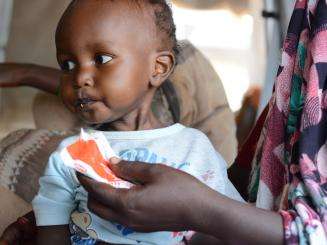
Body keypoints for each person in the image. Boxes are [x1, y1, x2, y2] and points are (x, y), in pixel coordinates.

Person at [5, 0, 242, 244]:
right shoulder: (70, 155)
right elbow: (52, 231)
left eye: (102, 58)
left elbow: (230, 228)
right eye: (68, 64)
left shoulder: (195, 149)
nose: (80, 77)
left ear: (158, 68)